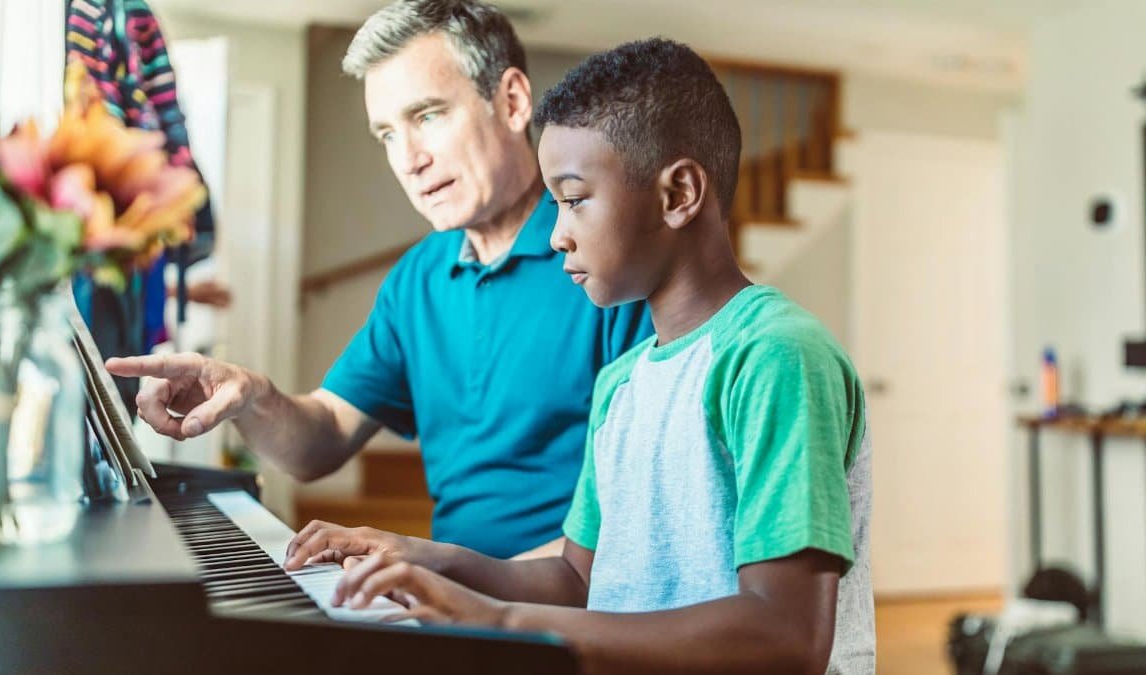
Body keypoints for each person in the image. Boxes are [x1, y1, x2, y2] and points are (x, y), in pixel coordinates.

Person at [283, 38, 875, 674]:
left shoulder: (774, 356)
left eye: (573, 198)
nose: (558, 232)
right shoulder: (622, 382)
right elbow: (576, 578)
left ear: (678, 194)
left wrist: (501, 619)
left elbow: (784, 636)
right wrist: (423, 556)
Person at [105, 0, 652, 559]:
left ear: (511, 102)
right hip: (465, 607)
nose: (408, 159)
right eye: (387, 134)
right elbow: (319, 443)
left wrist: (441, 573)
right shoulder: (417, 278)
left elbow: (643, 523)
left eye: (428, 116)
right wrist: (249, 397)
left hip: (566, 615)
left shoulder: (609, 262)